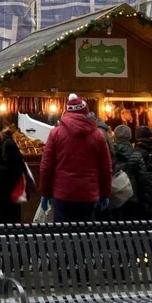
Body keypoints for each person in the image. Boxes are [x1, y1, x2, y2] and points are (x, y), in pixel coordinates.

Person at [39, 94, 113, 222]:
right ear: (86, 112)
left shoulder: (56, 133)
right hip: (89, 195)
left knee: (63, 236)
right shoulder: (99, 135)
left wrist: (45, 193)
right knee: (84, 237)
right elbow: (106, 168)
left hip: (63, 194)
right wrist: (105, 193)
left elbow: (46, 167)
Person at [111, 124, 145, 220]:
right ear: (130, 136)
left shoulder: (108, 152)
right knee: (130, 223)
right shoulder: (136, 154)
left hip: (112, 193)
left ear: (115, 136)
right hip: (131, 194)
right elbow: (142, 176)